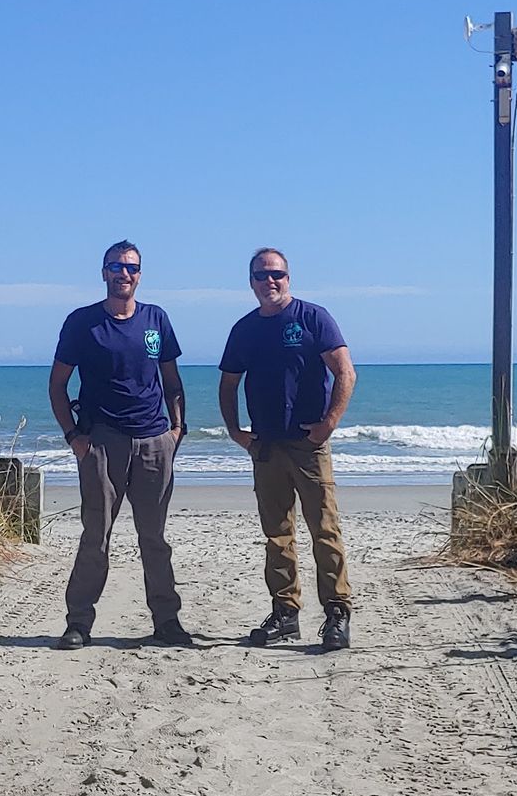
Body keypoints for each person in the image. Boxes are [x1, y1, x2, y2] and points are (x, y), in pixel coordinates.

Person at [49, 239, 191, 650]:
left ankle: (167, 621)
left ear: (139, 275)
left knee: (155, 539)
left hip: (153, 440)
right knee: (96, 535)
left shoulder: (156, 319)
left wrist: (177, 430)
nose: (123, 273)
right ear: (104, 272)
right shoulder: (82, 323)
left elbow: (172, 380)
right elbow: (58, 384)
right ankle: (78, 623)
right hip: (102, 443)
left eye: (131, 267)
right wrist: (74, 437)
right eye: (116, 266)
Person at [218, 247, 356, 651]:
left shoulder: (313, 318)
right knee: (277, 535)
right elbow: (228, 384)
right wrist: (235, 432)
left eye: (276, 274)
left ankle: (336, 613)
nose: (269, 282)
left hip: (308, 445)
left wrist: (329, 424)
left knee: (324, 530)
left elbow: (345, 371)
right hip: (265, 446)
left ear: (288, 278)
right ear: (251, 283)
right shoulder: (244, 329)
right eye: (261, 276)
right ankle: (285, 613)